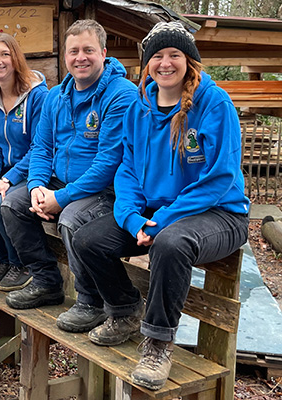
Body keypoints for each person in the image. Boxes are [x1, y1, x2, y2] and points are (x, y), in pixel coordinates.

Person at [71, 21, 250, 391]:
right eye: (157, 56)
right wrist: (131, 217)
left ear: (190, 61)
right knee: (87, 238)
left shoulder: (214, 103)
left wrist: (163, 220)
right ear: (147, 64)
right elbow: (128, 169)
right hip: (157, 212)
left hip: (220, 212)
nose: (165, 63)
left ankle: (158, 342)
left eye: (174, 55)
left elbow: (220, 178)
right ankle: (124, 311)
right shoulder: (140, 107)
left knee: (171, 242)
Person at [0, 20, 136, 316]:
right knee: (12, 204)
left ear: (103, 52)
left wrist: (61, 199)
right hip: (59, 182)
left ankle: (91, 301)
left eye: (88, 50)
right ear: (65, 56)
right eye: (73, 51)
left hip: (106, 188)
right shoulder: (55, 97)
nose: (80, 58)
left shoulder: (121, 94)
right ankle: (47, 281)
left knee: (72, 219)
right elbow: (41, 147)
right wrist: (36, 185)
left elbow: (108, 162)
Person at [0, 33, 48, 292]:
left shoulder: (37, 96)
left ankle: (21, 264)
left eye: (5, 54)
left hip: (34, 170)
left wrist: (6, 180)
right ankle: (5, 260)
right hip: (6, 171)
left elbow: (40, 147)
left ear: (15, 59)